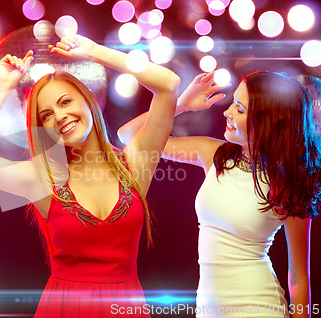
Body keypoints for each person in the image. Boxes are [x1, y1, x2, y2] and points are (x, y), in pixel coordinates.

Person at [0, 34, 180, 317]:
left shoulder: (135, 163)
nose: (59, 117)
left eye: (65, 102)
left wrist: (95, 51)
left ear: (88, 100)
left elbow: (169, 85)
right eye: (46, 116)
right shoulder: (41, 178)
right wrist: (2, 85)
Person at [118, 71, 321, 318]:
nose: (227, 113)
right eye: (233, 103)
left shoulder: (289, 182)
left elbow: (299, 278)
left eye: (240, 109)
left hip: (259, 308)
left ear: (267, 121)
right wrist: (180, 105)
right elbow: (129, 136)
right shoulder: (215, 154)